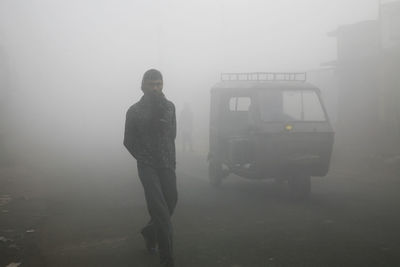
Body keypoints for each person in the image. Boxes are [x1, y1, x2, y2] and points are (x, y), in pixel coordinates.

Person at [124, 69, 177, 267]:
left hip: (167, 163)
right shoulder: (134, 111)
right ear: (143, 86)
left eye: (159, 84)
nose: (155, 88)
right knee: (161, 212)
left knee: (171, 201)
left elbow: (172, 134)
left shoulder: (169, 107)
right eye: (151, 84)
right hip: (148, 167)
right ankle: (167, 260)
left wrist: (169, 158)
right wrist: (144, 158)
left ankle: (149, 231)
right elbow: (128, 140)